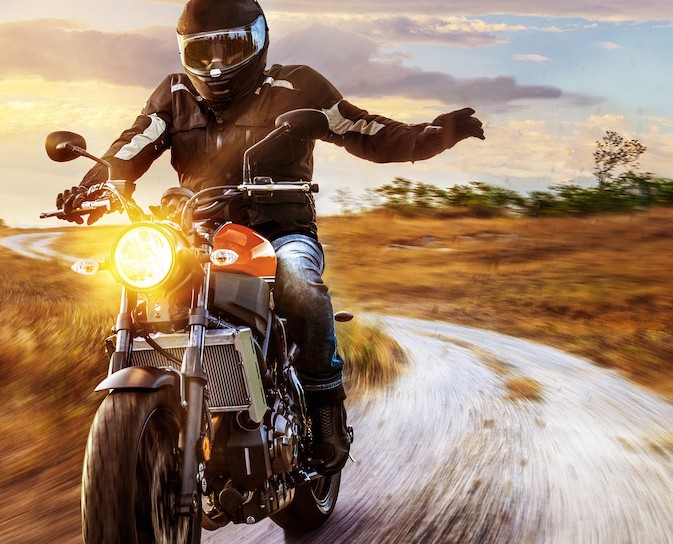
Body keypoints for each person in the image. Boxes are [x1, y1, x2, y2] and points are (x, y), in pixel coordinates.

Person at [53, 0, 484, 473]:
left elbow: (364, 130)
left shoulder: (297, 85)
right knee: (137, 281)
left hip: (281, 231)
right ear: (185, 53)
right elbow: (130, 146)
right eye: (202, 54)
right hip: (198, 236)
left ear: (256, 42)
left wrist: (433, 135)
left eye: (229, 48)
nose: (216, 65)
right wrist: (93, 186)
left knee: (299, 281)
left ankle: (324, 411)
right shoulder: (174, 94)